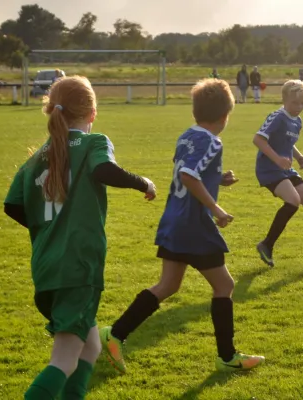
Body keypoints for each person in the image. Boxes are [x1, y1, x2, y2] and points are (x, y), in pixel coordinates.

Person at [4, 76, 157, 399]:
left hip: (47, 267)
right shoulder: (93, 142)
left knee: (91, 347)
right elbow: (104, 171)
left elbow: (13, 205)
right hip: (78, 265)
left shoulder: (37, 157)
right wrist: (143, 182)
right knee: (64, 360)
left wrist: (49, 230)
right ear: (92, 113)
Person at [100, 78, 265, 375]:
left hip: (175, 220)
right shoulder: (213, 141)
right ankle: (227, 356)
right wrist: (216, 208)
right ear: (226, 114)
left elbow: (188, 171)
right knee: (225, 285)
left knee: (168, 285)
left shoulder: (187, 135)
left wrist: (218, 179)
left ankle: (114, 334)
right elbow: (189, 176)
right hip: (195, 225)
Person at [253, 80, 303, 267]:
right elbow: (258, 139)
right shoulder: (277, 116)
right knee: (293, 200)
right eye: (295, 103)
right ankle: (266, 244)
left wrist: (298, 155)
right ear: (285, 100)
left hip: (285, 169)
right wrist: (277, 159)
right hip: (269, 169)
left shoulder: (297, 121)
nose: (299, 107)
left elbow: (287, 142)